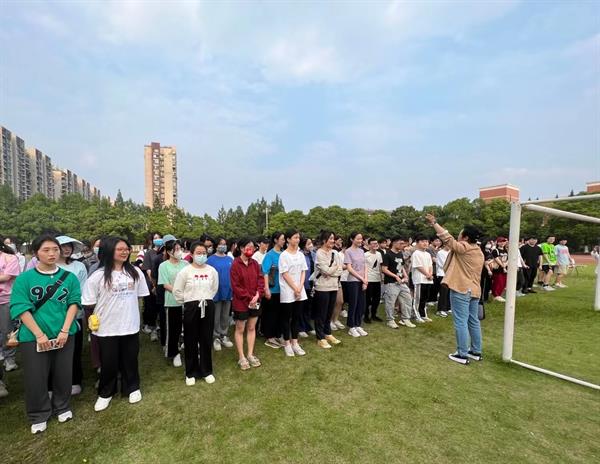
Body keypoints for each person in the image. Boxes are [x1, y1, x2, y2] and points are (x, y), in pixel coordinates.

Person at [10, 234, 81, 433]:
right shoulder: (24, 279)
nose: (52, 253)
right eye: (46, 250)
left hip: (64, 334)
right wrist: (39, 335)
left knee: (63, 373)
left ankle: (62, 406)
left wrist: (65, 330)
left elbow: (74, 303)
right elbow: (20, 307)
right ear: (36, 253)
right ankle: (38, 414)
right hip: (33, 336)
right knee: (36, 376)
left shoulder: (69, 277)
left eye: (55, 249)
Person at [82, 237, 150, 412]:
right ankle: (106, 392)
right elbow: (89, 302)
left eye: (126, 249)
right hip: (106, 327)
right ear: (109, 250)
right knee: (108, 362)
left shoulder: (135, 272)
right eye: (120, 249)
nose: (124, 252)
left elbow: (140, 295)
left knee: (130, 359)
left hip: (130, 324)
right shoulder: (97, 276)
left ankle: (132, 387)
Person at [426, 214, 484, 365]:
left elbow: (447, 239)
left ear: (465, 237)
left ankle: (462, 354)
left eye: (460, 233)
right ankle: (476, 351)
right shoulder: (478, 250)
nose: (458, 235)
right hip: (475, 290)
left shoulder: (464, 248)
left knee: (460, 322)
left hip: (461, 289)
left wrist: (434, 223)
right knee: (473, 321)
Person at [173, 242, 219, 385]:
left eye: (204, 253)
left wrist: (205, 298)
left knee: (206, 338)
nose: (201, 255)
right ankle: (191, 372)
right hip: (191, 307)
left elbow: (214, 288)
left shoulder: (212, 271)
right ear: (191, 254)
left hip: (207, 305)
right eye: (198, 253)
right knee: (190, 339)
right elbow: (177, 291)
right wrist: (189, 302)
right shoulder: (185, 271)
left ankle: (206, 371)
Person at [56, 235, 88, 396]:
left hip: (75, 313)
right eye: (63, 246)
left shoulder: (79, 266)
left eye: (69, 246)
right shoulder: (48, 267)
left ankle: (75, 379)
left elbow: (83, 289)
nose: (67, 249)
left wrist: (73, 306)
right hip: (53, 315)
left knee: (74, 349)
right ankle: (54, 382)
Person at [230, 238, 265, 370]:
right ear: (241, 248)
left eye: (252, 247)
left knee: (251, 327)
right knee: (240, 329)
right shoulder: (235, 264)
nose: (251, 249)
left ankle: (250, 354)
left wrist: (258, 295)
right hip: (241, 302)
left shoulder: (255, 263)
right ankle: (242, 356)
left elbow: (260, 280)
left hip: (255, 301)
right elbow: (236, 286)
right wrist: (250, 297)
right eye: (248, 247)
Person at [158, 240, 188, 368]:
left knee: (187, 327)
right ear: (169, 251)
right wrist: (179, 292)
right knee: (173, 329)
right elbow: (165, 284)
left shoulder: (186, 264)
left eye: (180, 248)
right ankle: (174, 353)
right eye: (176, 249)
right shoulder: (163, 266)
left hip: (187, 301)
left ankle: (188, 348)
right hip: (172, 301)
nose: (179, 251)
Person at [278, 230, 308, 357]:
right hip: (288, 290)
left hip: (300, 290)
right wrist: (295, 288)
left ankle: (295, 342)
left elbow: (303, 271)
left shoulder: (300, 255)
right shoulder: (284, 255)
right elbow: (285, 274)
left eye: (298, 237)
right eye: (295, 237)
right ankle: (287, 343)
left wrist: (300, 287)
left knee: (296, 317)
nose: (297, 240)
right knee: (286, 317)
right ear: (288, 239)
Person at [313, 231, 343, 348]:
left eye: (333, 238)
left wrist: (332, 270)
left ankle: (327, 333)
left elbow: (340, 270)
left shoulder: (335, 253)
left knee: (329, 312)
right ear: (324, 240)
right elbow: (326, 271)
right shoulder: (319, 253)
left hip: (334, 286)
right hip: (322, 287)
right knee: (321, 313)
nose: (332, 241)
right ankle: (320, 337)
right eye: (330, 238)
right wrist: (334, 267)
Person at [207, 238, 234, 352]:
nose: (223, 246)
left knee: (225, 315)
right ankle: (216, 337)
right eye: (221, 244)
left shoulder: (230, 259)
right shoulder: (210, 260)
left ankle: (224, 334)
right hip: (215, 292)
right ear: (216, 246)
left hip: (228, 291)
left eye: (224, 244)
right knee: (216, 316)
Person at [381, 237, 415, 329]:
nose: (403, 245)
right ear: (394, 243)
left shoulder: (400, 254)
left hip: (401, 282)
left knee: (408, 299)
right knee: (390, 302)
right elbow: (384, 269)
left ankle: (405, 319)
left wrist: (405, 276)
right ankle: (390, 320)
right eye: (401, 243)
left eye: (403, 243)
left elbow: (402, 266)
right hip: (391, 283)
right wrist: (395, 276)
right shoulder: (387, 255)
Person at [0, 236, 21, 374]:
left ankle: (9, 359)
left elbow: (7, 277)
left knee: (7, 330)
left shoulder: (10, 258)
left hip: (6, 300)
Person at [261, 232, 285, 349]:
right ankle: (269, 337)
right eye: (282, 239)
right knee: (271, 314)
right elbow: (265, 272)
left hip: (283, 290)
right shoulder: (270, 255)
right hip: (273, 289)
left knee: (281, 314)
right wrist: (266, 289)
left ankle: (278, 335)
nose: (284, 241)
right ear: (275, 240)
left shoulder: (284, 254)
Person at [344, 232, 368, 337]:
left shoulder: (362, 251)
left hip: (362, 281)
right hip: (353, 280)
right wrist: (361, 278)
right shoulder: (348, 251)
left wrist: (365, 280)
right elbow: (349, 268)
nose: (360, 241)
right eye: (358, 238)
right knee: (353, 304)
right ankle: (351, 326)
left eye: (361, 239)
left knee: (361, 304)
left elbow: (365, 266)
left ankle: (358, 324)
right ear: (352, 239)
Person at [141, 232, 162, 338]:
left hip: (162, 283)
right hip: (151, 283)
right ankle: (151, 326)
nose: (158, 239)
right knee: (151, 306)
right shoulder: (149, 253)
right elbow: (148, 270)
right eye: (155, 238)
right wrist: (154, 284)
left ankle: (159, 326)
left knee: (160, 307)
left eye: (159, 237)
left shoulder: (164, 252)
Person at [411, 234, 434, 322]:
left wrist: (430, 274)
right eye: (423, 241)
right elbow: (418, 266)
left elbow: (430, 265)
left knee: (425, 298)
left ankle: (423, 314)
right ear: (417, 243)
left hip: (428, 280)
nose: (425, 243)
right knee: (418, 298)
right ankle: (416, 315)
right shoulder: (416, 253)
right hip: (419, 279)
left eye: (426, 241)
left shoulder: (428, 254)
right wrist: (427, 274)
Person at [298, 237, 315, 338]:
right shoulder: (299, 254)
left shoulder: (312, 254)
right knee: (301, 307)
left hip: (311, 284)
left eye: (311, 243)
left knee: (308, 306)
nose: (311, 245)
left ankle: (308, 326)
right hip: (301, 284)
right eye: (308, 243)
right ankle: (301, 328)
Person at [364, 238, 383, 323]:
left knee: (377, 299)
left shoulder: (379, 254)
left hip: (377, 279)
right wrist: (365, 280)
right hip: (369, 279)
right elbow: (363, 268)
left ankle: (374, 315)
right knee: (367, 299)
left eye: (376, 243)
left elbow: (380, 266)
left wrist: (381, 277)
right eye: (373, 243)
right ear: (369, 245)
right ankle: (366, 316)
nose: (375, 245)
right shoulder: (365, 255)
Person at [491, 237, 508, 302]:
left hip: (504, 268)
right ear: (498, 243)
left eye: (503, 241)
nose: (502, 243)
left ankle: (499, 294)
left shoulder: (506, 250)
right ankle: (496, 295)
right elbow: (496, 259)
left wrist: (505, 265)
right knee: (498, 281)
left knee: (503, 282)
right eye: (501, 242)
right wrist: (503, 266)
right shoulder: (495, 250)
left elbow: (508, 258)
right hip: (497, 269)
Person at [435, 243, 450, 317]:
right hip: (442, 274)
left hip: (449, 274)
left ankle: (448, 307)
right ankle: (441, 309)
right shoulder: (440, 253)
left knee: (449, 292)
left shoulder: (450, 252)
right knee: (443, 292)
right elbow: (443, 264)